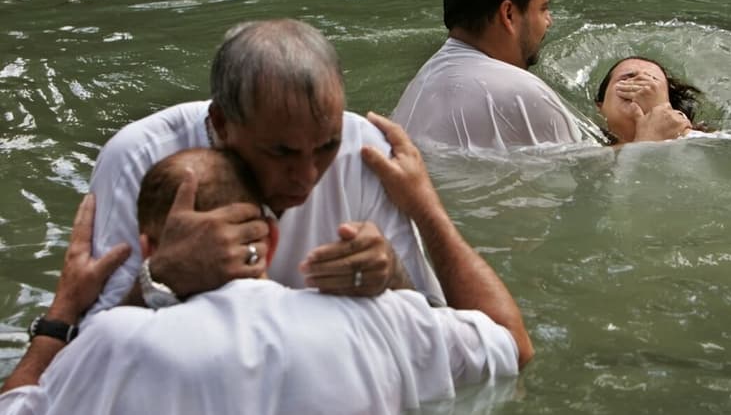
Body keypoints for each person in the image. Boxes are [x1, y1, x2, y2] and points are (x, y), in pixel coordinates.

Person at [0, 118, 533, 414]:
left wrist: (61, 314)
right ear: (271, 234)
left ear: (147, 248)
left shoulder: (114, 344)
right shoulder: (381, 323)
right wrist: (424, 207)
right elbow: (512, 341)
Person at [86, 18, 444, 317]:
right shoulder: (137, 157)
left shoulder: (365, 150)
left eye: (326, 147)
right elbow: (93, 355)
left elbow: (436, 326)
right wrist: (163, 276)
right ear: (222, 124)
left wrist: (392, 276)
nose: (306, 179)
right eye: (280, 152)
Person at [391, 0, 600, 151]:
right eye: (543, 8)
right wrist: (639, 139)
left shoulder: (419, 88)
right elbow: (592, 175)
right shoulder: (523, 93)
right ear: (508, 14)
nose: (549, 20)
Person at [594, 56, 729, 145]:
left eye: (653, 83)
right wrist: (649, 142)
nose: (643, 85)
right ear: (600, 107)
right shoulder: (580, 142)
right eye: (626, 79)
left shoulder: (698, 140)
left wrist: (680, 132)